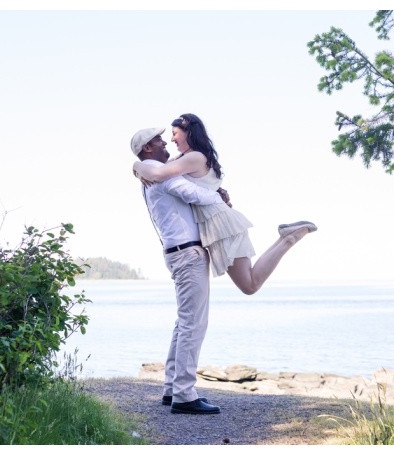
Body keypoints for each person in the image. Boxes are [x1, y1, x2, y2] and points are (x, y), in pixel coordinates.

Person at [133, 113, 316, 295]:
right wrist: (138, 169)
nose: (171, 139)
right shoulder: (185, 158)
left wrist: (137, 166)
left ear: (188, 133)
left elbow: (156, 174)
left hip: (219, 224)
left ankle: (288, 239)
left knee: (250, 285)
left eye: (175, 133)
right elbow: (161, 169)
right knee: (249, 283)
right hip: (217, 222)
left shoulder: (193, 157)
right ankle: (286, 237)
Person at [132, 127, 227, 415]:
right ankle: (184, 395)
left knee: (183, 322)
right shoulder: (157, 172)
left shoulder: (150, 171)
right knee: (193, 324)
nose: (165, 142)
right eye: (159, 139)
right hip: (187, 253)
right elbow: (188, 191)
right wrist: (218, 197)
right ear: (148, 148)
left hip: (180, 252)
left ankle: (173, 387)